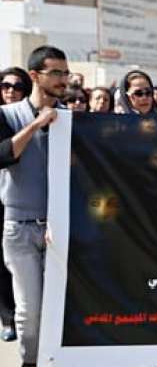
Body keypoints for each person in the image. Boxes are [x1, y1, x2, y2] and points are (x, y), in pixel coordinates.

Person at [0, 45, 66, 367]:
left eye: (65, 73)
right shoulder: (7, 115)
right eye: (56, 72)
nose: (63, 79)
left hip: (58, 229)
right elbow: (3, 155)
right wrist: (36, 125)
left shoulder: (68, 119)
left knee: (58, 309)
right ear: (35, 76)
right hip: (21, 228)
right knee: (30, 311)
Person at [0, 67, 31, 343]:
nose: (10, 90)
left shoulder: (27, 117)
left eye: (17, 86)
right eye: (5, 85)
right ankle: (7, 318)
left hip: (23, 203)